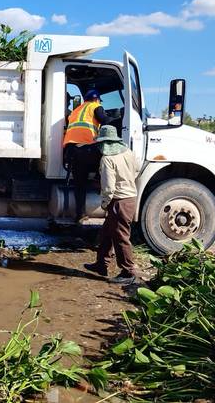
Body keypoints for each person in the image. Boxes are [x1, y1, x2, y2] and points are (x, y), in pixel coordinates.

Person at [84, 125, 139, 284]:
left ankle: (128, 272)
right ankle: (101, 264)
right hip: (130, 198)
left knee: (121, 237)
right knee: (107, 233)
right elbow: (136, 170)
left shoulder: (107, 159)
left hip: (118, 201)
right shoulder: (128, 152)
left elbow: (108, 187)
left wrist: (104, 204)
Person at [62, 89, 112, 222]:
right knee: (106, 161)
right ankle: (98, 181)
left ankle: (81, 214)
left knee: (80, 184)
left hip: (71, 150)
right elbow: (106, 121)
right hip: (87, 148)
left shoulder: (76, 111)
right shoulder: (96, 106)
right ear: (97, 100)